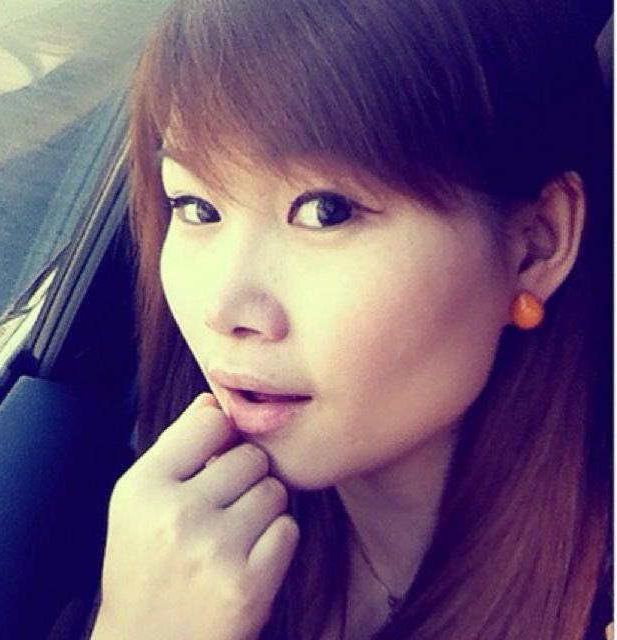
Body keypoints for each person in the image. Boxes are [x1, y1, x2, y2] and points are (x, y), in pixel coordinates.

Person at [89, 1, 612, 638]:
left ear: (535, 245)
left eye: (326, 212)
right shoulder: (174, 541)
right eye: (196, 207)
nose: (221, 309)